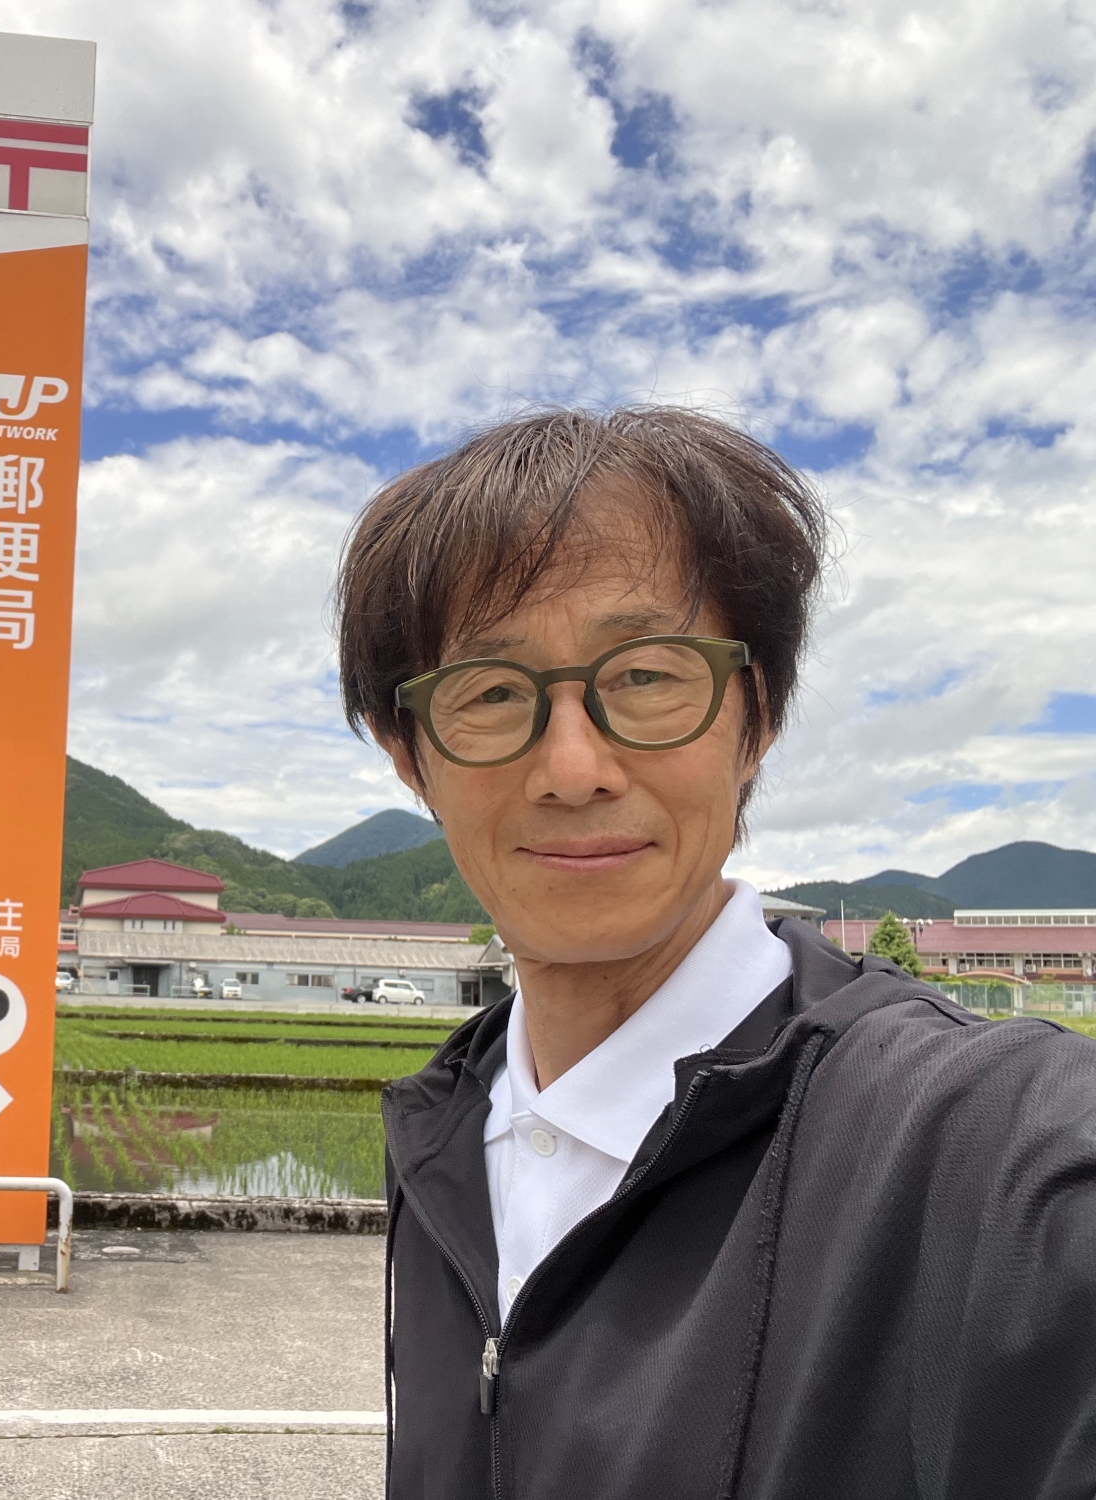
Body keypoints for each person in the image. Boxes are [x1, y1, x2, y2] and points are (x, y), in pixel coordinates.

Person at [335, 407, 1096, 1500]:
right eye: (491, 692)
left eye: (646, 677)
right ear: (409, 756)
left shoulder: (970, 1147)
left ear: (757, 718)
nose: (574, 768)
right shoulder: (449, 1124)